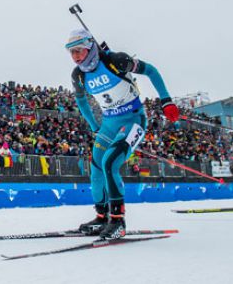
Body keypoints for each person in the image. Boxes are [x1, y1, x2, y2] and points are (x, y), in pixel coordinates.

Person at [66, 29, 179, 240]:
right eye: (71, 52)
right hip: (109, 123)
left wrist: (166, 100)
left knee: (110, 162)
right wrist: (94, 125)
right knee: (97, 165)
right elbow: (81, 100)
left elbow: (151, 71)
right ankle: (102, 217)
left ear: (90, 46)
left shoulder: (115, 61)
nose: (76, 56)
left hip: (132, 119)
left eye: (79, 50)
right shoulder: (79, 75)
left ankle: (118, 221)